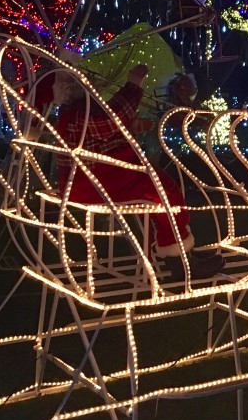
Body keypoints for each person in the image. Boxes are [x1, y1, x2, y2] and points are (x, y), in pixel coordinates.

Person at [50, 63, 225, 282]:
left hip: (92, 181)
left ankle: (180, 250)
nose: (93, 83)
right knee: (164, 191)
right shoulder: (80, 113)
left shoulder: (74, 113)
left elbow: (102, 136)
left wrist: (132, 128)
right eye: (87, 81)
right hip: (95, 184)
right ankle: (180, 259)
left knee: (160, 189)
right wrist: (132, 86)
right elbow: (109, 122)